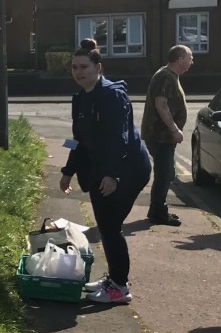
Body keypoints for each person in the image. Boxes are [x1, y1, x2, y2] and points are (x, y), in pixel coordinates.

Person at [58, 38, 151, 304]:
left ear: (98, 67)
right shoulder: (79, 99)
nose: (78, 72)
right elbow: (75, 139)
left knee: (110, 228)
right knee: (107, 226)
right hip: (99, 170)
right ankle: (114, 279)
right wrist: (68, 170)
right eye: (74, 67)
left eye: (84, 66)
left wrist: (113, 175)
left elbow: (118, 138)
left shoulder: (112, 95)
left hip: (127, 169)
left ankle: (119, 288)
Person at [138, 45, 194, 226]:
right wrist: (174, 130)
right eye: (189, 57)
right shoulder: (165, 76)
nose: (192, 61)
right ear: (179, 59)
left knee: (166, 173)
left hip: (162, 136)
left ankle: (158, 210)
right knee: (165, 174)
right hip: (159, 135)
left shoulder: (170, 76)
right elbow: (161, 104)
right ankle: (158, 213)